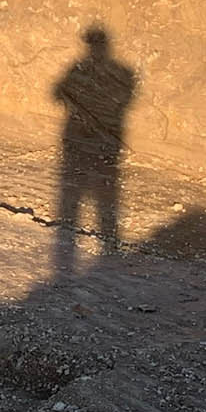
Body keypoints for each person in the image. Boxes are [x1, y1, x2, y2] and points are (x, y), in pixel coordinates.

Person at [52, 26, 136, 275]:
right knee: (101, 194)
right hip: (98, 138)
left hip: (88, 139)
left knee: (84, 194)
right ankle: (107, 244)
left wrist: (83, 105)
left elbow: (57, 94)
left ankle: (103, 244)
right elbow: (59, 94)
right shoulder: (121, 71)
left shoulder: (84, 69)